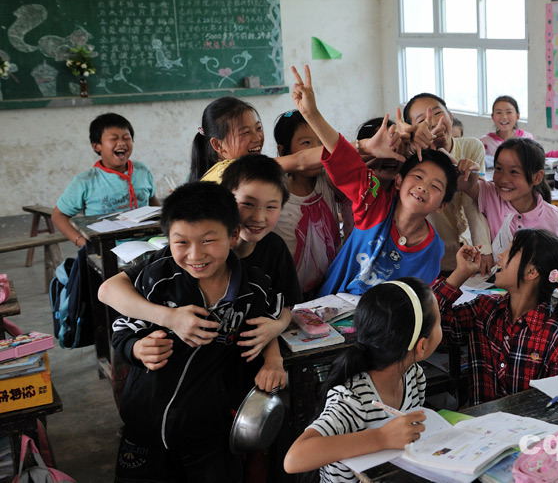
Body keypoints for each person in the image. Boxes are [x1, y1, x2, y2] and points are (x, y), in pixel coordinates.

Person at [107, 181, 286, 481]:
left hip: (211, 431)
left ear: (232, 236)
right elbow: (122, 326)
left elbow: (267, 324)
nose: (195, 255)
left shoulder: (252, 288)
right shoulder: (159, 277)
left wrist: (273, 361)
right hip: (144, 424)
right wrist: (137, 348)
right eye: (181, 242)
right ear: (168, 240)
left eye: (208, 240)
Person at [99, 154, 298, 360]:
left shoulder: (274, 248)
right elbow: (108, 291)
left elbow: (284, 304)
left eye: (271, 207)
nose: (258, 217)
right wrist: (170, 318)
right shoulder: (183, 254)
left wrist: (276, 327)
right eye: (248, 204)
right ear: (226, 198)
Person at [288, 65, 459, 295]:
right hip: (328, 315)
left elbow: (417, 300)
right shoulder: (375, 203)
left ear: (442, 205)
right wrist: (312, 114)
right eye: (418, 176)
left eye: (435, 186)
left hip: (381, 328)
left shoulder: (432, 248)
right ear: (399, 181)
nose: (422, 186)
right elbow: (344, 159)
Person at [283, 278, 441, 482]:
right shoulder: (353, 399)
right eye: (439, 322)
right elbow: (295, 458)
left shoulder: (414, 376)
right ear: (422, 346)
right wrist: (381, 437)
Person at [432, 229, 558, 405]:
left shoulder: (555, 339)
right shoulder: (485, 309)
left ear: (531, 272)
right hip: (478, 426)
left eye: (512, 251)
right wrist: (459, 274)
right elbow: (429, 323)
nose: (499, 256)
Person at [400, 92, 493, 274]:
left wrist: (484, 250)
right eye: (422, 120)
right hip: (426, 252)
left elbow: (472, 204)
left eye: (437, 113)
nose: (434, 123)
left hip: (464, 248)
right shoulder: (412, 156)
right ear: (413, 130)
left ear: (450, 116)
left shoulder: (471, 147)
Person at [272, 109, 354, 297]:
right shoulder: (274, 191)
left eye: (320, 142)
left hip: (329, 289)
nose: (318, 151)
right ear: (283, 150)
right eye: (306, 143)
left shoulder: (327, 180)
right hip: (290, 293)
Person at [52, 112, 159, 246]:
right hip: (107, 246)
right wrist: (81, 241)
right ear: (97, 146)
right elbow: (58, 215)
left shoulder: (142, 171)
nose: (121, 143)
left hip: (148, 241)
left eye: (127, 138)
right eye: (114, 139)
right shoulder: (85, 181)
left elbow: (153, 203)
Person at [460, 137, 558, 261]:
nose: (503, 179)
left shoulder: (552, 217)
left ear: (537, 177)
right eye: (499, 169)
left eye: (514, 172)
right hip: (494, 279)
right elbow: (463, 183)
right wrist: (466, 170)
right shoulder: (490, 194)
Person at [188, 96, 322, 183]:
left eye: (258, 128)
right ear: (217, 144)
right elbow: (300, 161)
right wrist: (339, 148)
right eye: (245, 132)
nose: (257, 138)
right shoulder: (231, 171)